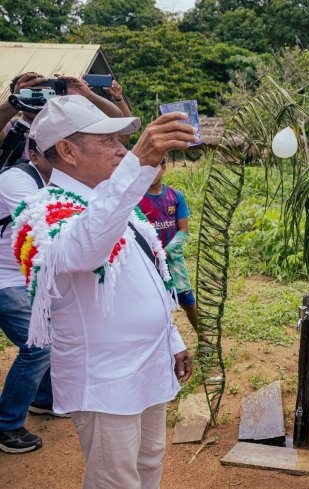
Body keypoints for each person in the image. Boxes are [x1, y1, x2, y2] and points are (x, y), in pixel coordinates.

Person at [11, 95, 196, 487]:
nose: (121, 149)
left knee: (148, 465)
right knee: (115, 480)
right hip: (106, 379)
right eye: (108, 141)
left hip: (146, 364)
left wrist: (173, 339)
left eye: (123, 142)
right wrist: (138, 164)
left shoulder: (113, 204)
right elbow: (84, 247)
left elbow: (147, 277)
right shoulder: (43, 210)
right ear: (67, 150)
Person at [0, 141, 57, 453]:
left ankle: (44, 400)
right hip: (5, 279)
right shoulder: (16, 179)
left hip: (28, 275)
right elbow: (44, 226)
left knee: (55, 335)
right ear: (33, 155)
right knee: (39, 345)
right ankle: (5, 425)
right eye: (54, 152)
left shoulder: (54, 179)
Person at [139, 161, 197, 331]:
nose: (150, 173)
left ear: (164, 168)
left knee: (188, 302)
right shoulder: (137, 200)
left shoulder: (175, 196)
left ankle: (204, 339)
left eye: (154, 167)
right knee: (155, 305)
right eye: (146, 169)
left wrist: (166, 251)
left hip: (174, 260)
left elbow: (183, 230)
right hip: (148, 262)